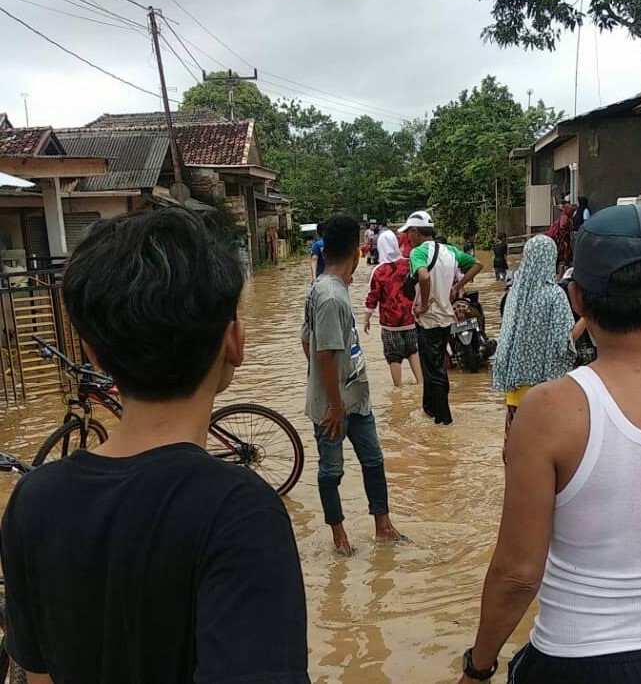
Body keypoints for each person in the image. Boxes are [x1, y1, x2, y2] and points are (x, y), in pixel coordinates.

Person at [0, 208, 310, 684]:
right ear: (235, 342)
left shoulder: (32, 499)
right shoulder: (240, 512)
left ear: (91, 352)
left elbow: (38, 677)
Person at [455, 205, 641, 684]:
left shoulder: (548, 410)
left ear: (577, 299)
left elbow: (519, 572)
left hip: (579, 658)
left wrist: (478, 666)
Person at [301, 213, 405, 556]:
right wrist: (332, 400)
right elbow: (324, 354)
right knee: (331, 470)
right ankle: (339, 537)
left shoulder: (326, 289)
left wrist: (325, 381)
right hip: (336, 404)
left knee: (373, 460)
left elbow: (307, 342)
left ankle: (383, 526)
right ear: (358, 253)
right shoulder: (331, 296)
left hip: (356, 396)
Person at [493, 235, 585, 462]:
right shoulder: (554, 296)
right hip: (545, 393)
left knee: (514, 454)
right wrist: (588, 318)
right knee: (544, 458)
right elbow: (563, 343)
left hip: (515, 393)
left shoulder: (515, 293)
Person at [399, 210, 483, 425]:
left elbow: (424, 276)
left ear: (416, 232)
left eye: (408, 232)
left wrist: (424, 303)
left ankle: (444, 420)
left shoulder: (418, 253)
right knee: (433, 366)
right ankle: (429, 409)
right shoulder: (450, 250)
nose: (407, 237)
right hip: (446, 317)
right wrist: (457, 287)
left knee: (435, 369)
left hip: (429, 319)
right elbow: (477, 265)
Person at [364, 230, 422, 387]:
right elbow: (419, 287)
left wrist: (366, 319)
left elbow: (372, 297)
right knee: (413, 349)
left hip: (390, 323)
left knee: (393, 355)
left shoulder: (379, 271)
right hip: (410, 318)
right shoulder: (409, 264)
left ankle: (399, 388)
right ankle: (421, 382)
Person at [546, 202, 575, 273]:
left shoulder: (564, 216)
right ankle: (558, 269)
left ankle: (558, 269)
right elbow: (562, 227)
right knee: (560, 253)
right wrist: (564, 237)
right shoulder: (565, 217)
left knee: (561, 253)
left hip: (558, 238)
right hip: (558, 239)